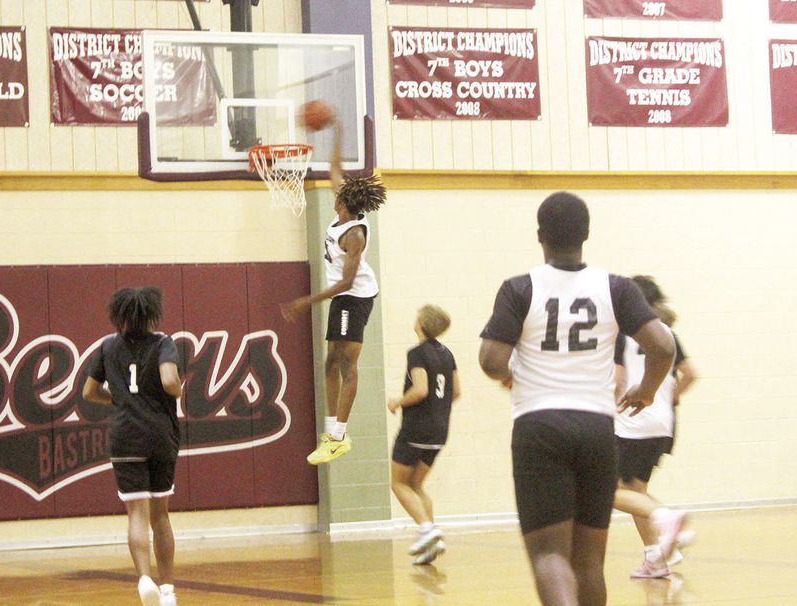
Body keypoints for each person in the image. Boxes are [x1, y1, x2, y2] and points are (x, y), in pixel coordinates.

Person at [478, 191, 675, 606]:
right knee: (589, 564)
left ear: (540, 235)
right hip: (597, 430)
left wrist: (511, 374)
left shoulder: (520, 288)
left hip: (540, 426)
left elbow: (491, 360)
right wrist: (648, 390)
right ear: (586, 234)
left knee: (550, 554)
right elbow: (663, 347)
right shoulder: (616, 288)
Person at [282, 118, 386, 465]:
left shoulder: (354, 234)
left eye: (338, 193)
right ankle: (332, 434)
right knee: (331, 362)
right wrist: (336, 129)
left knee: (346, 364)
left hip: (354, 297)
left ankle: (339, 436)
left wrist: (305, 301)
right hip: (344, 296)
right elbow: (336, 167)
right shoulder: (343, 212)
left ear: (344, 202)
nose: (334, 190)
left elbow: (345, 282)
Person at [83, 286, 182, 606]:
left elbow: (89, 392)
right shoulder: (164, 343)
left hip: (125, 435)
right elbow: (169, 381)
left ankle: (144, 579)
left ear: (120, 315)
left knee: (136, 515)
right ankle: (167, 590)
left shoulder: (107, 346)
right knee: (161, 515)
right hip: (160, 435)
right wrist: (178, 390)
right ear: (151, 314)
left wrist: (122, 399)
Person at [611, 275, 698, 579]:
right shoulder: (668, 333)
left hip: (630, 423)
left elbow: (617, 381)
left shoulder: (624, 334)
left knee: (607, 491)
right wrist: (670, 396)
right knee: (636, 491)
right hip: (663, 424)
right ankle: (656, 556)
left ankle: (665, 516)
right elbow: (691, 374)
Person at [387, 304, 461, 565]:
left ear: (422, 323)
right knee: (416, 484)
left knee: (398, 483)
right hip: (440, 430)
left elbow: (420, 390)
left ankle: (427, 529)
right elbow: (456, 392)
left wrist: (398, 401)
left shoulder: (417, 354)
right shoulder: (447, 354)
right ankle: (433, 543)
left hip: (416, 428)